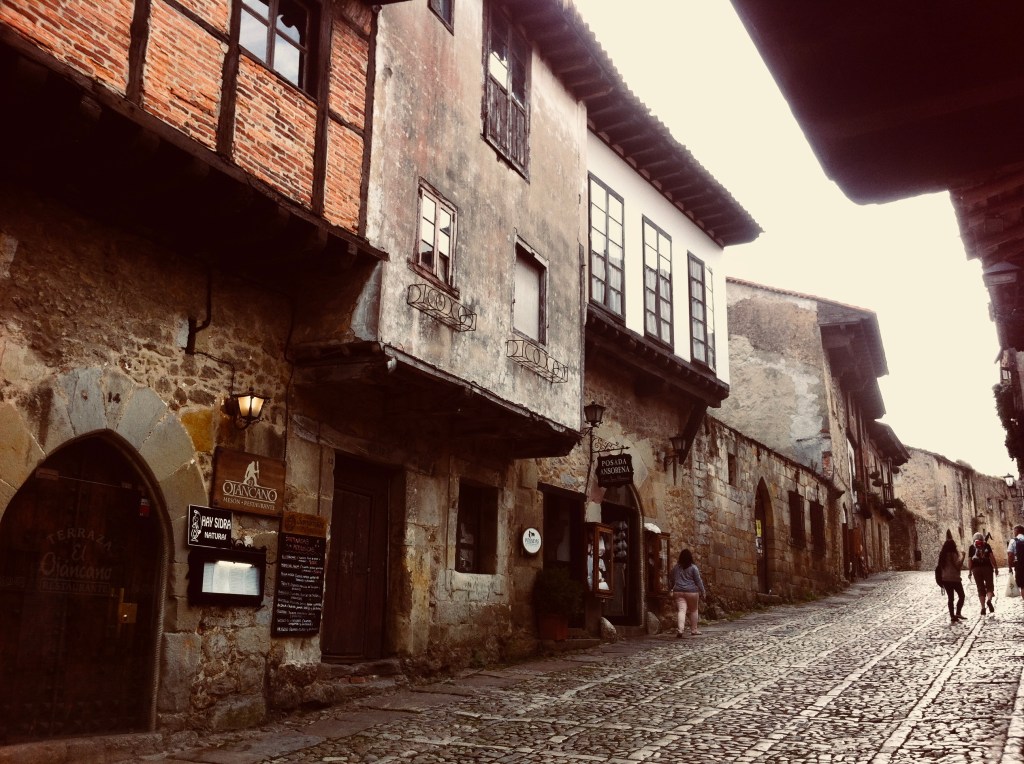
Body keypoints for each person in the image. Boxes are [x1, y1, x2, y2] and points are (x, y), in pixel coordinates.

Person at [668, 548, 706, 637]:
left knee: (681, 611)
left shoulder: (676, 568)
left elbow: (671, 579)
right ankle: (694, 630)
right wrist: (703, 591)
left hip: (678, 591)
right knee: (694, 610)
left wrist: (671, 589)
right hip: (692, 592)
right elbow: (698, 581)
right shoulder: (693, 568)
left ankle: (680, 630)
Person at [967, 531, 997, 616]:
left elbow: (970, 560)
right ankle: (989, 600)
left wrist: (970, 571)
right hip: (987, 568)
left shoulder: (971, 547)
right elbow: (991, 557)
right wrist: (996, 567)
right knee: (989, 586)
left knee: (980, 588)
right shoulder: (986, 545)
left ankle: (983, 607)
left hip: (976, 569)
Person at [937, 535, 966, 624]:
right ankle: (958, 613)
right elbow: (958, 565)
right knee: (962, 596)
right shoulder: (953, 554)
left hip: (945, 579)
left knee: (950, 598)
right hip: (954, 579)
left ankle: (952, 616)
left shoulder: (942, 555)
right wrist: (963, 556)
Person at [1007, 525, 1024, 598]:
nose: (1013, 533)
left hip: (1019, 565)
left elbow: (1010, 555)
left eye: (1014, 531)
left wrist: (1010, 567)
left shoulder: (1013, 541)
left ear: (1017, 531)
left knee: (1023, 586)